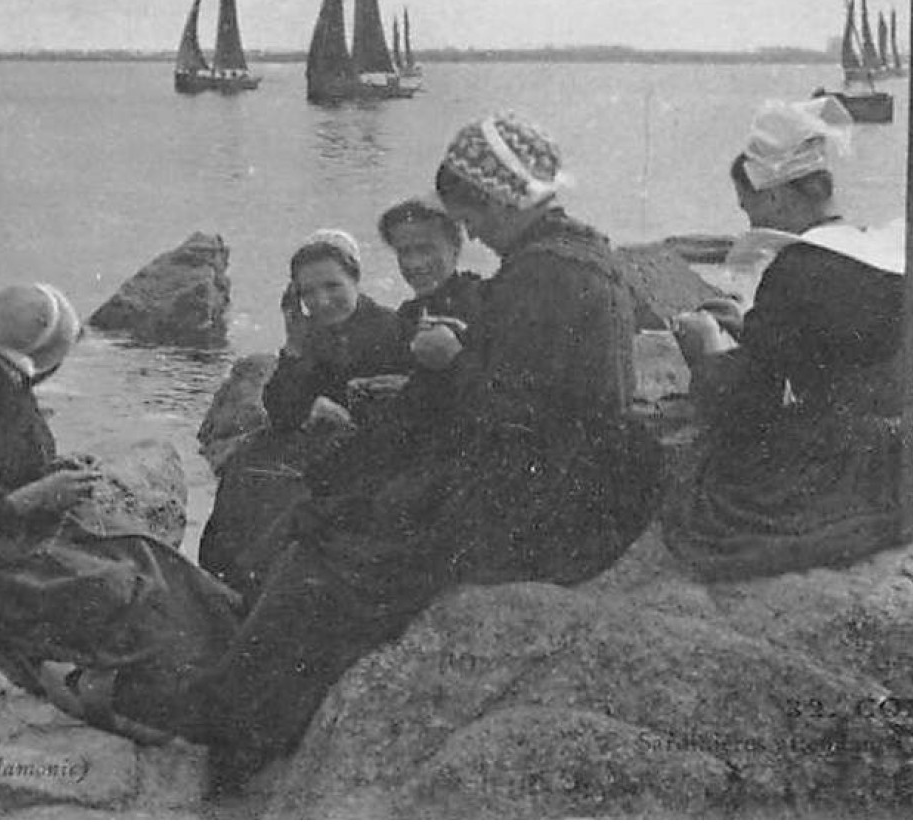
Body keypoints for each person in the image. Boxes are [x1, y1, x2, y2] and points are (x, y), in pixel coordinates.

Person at [192, 112, 663, 790]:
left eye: (471, 216)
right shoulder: (580, 256)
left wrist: (449, 362)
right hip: (583, 478)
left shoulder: (541, 277)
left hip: (550, 497)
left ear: (502, 199)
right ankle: (260, 711)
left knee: (337, 550)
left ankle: (236, 729)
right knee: (344, 509)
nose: (471, 231)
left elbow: (511, 411)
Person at [0, 283, 241, 743]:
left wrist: (53, 472)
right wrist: (38, 496)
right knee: (123, 590)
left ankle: (219, 684)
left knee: (150, 555)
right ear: (42, 350)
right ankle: (113, 695)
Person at [660, 97, 913, 582]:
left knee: (699, 490)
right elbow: (827, 343)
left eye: (750, 205)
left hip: (849, 472)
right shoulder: (878, 254)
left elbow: (745, 404)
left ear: (776, 197)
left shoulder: (796, 269)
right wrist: (750, 325)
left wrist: (707, 350)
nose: (750, 222)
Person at [197, 230, 409, 608]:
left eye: (332, 286)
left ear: (355, 279)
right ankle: (221, 580)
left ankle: (250, 588)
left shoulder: (391, 330)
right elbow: (283, 414)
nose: (322, 301)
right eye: (309, 293)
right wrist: (293, 343)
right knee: (244, 467)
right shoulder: (311, 335)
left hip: (375, 455)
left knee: (284, 501)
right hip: (323, 446)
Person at [374, 196, 485, 421]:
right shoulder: (405, 316)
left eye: (425, 250)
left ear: (455, 248)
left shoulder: (484, 303)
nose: (414, 264)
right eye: (404, 252)